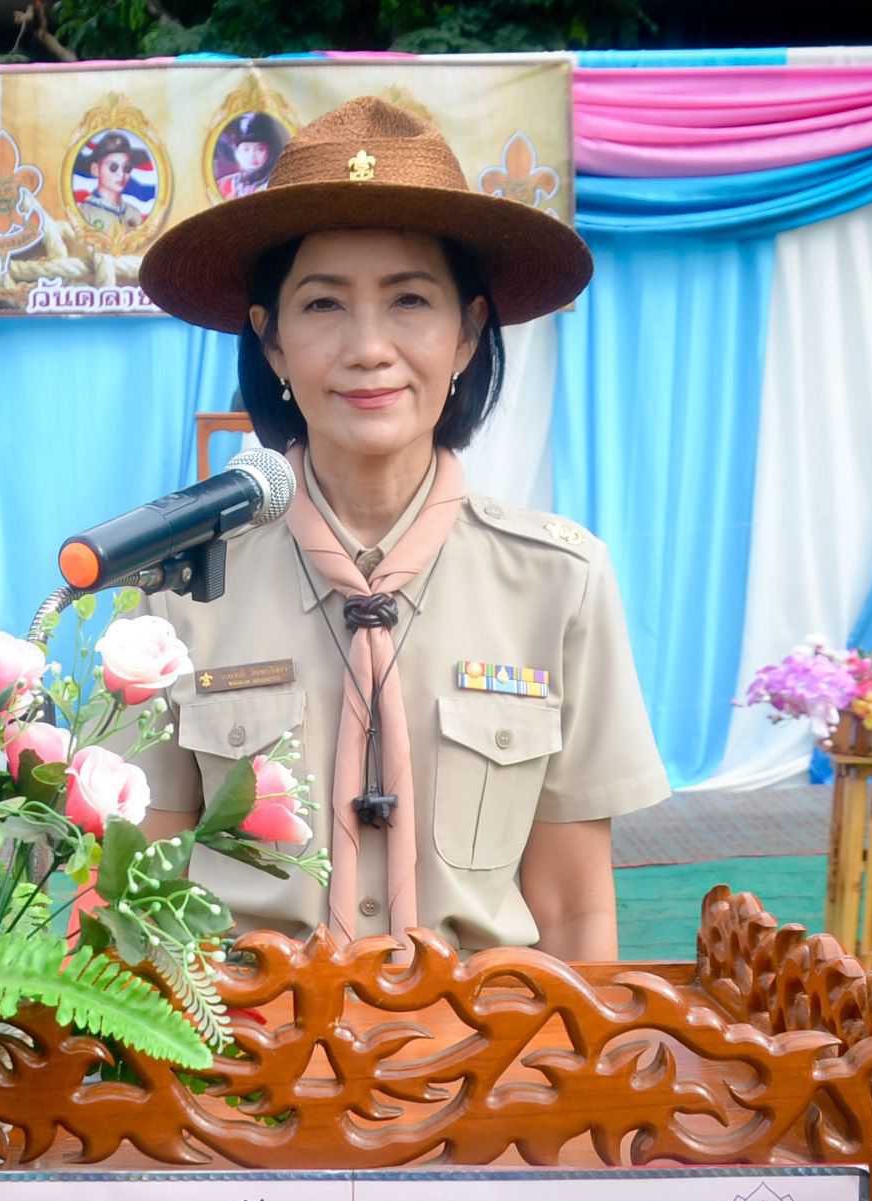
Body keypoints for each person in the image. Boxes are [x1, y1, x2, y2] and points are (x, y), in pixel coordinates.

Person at [134, 97, 667, 962]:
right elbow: (141, 905)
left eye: (410, 299)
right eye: (322, 305)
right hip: (245, 1043)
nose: (369, 348)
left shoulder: (559, 583)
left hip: (485, 1038)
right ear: (271, 343)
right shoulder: (179, 594)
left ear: (468, 334)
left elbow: (574, 912)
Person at [74, 131, 151, 235]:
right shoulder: (84, 214)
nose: (121, 174)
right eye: (113, 167)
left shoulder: (134, 214)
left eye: (127, 168)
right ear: (95, 170)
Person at [215, 113, 286, 200]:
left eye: (260, 149)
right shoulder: (224, 184)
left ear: (269, 151)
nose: (252, 156)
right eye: (246, 149)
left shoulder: (276, 184)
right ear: (237, 152)